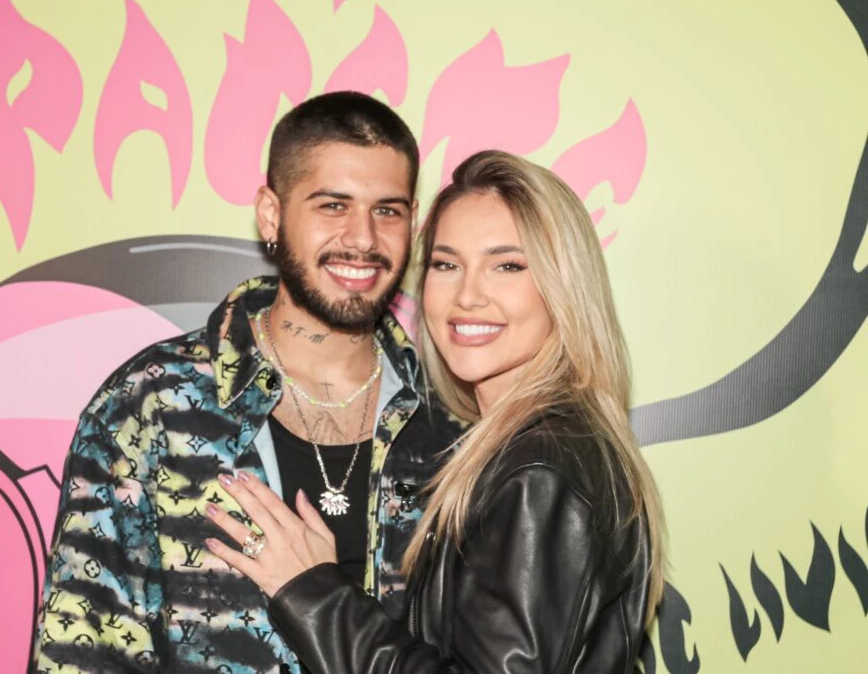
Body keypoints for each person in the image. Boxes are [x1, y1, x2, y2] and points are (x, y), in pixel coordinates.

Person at [32, 91, 464, 673]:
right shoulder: (153, 402)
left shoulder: (452, 420)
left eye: (387, 211)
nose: (363, 238)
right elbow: (83, 646)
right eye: (333, 206)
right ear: (271, 215)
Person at [203, 150, 667, 672]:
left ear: (565, 288)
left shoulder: (540, 469)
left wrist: (312, 591)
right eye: (447, 265)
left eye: (507, 266)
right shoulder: (519, 445)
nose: (467, 296)